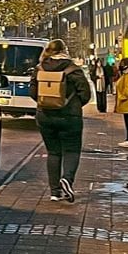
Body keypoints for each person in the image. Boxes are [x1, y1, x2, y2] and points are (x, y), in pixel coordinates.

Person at [29, 39, 91, 202]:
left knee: (53, 152)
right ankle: (67, 179)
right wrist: (74, 105)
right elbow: (85, 94)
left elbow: (33, 93)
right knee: (72, 150)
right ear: (64, 50)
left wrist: (47, 104)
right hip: (70, 116)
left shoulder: (39, 68)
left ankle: (54, 192)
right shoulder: (73, 69)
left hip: (45, 116)